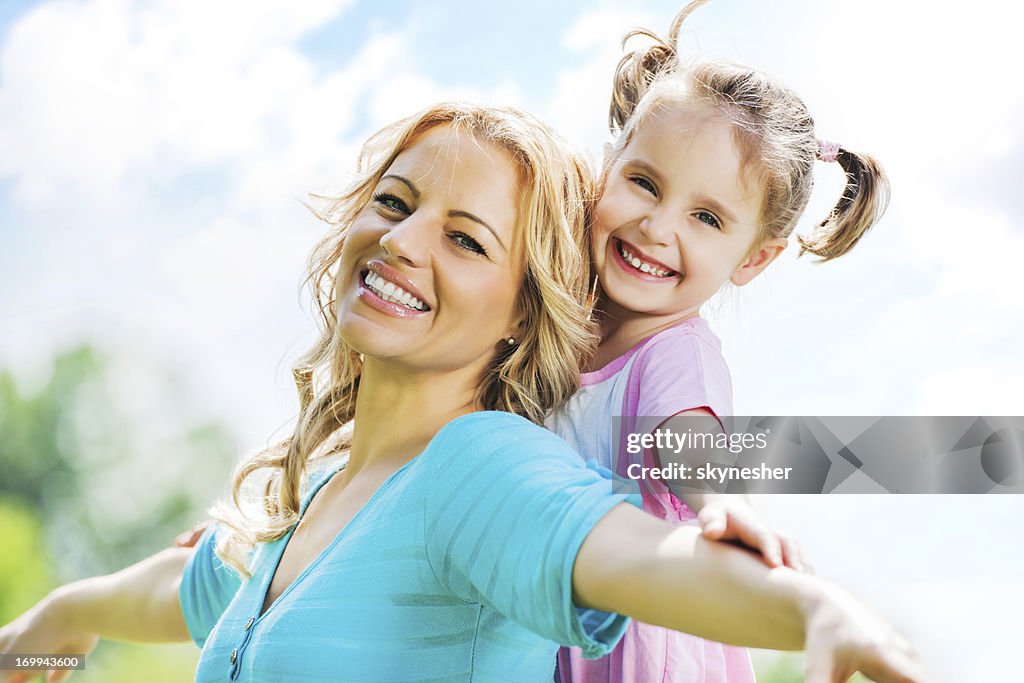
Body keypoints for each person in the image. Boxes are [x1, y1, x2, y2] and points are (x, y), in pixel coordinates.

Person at [0, 103, 923, 683]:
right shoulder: (319, 498)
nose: (404, 244)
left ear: (527, 308)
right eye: (397, 204)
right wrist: (47, 631)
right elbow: (173, 593)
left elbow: (649, 546)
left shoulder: (484, 470)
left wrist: (813, 607)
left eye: (468, 240)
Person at [549, 2, 892, 682]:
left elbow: (688, 440)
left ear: (754, 259)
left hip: (640, 655)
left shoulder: (674, 350)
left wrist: (724, 505)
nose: (656, 226)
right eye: (644, 182)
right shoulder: (557, 329)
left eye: (705, 217)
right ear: (606, 168)